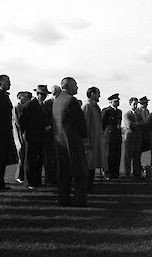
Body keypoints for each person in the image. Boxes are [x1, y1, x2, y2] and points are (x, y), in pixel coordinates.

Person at [52, 77, 88, 207]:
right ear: (69, 86)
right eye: (75, 85)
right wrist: (85, 136)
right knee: (80, 172)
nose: (77, 87)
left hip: (60, 142)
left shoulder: (56, 101)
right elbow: (80, 122)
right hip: (73, 141)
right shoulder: (71, 101)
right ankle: (79, 200)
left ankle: (63, 199)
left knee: (63, 174)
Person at [20, 85, 51, 189]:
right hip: (32, 137)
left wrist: (46, 126)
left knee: (40, 160)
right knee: (30, 160)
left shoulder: (43, 105)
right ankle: (30, 182)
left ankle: (37, 181)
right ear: (37, 94)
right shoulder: (30, 105)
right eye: (41, 94)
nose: (43, 96)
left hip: (41, 136)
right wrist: (28, 132)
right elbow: (22, 121)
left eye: (45, 94)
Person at [81, 87, 107, 193]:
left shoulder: (95, 106)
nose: (99, 96)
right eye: (98, 93)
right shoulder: (87, 106)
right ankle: (87, 187)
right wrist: (86, 140)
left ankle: (90, 186)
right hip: (90, 141)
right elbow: (85, 124)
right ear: (92, 94)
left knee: (92, 164)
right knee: (89, 164)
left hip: (95, 140)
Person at [0, 75, 17, 191]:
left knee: (2, 158)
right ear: (0, 83)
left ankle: (0, 182)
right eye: (7, 82)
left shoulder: (4, 96)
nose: (10, 84)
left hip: (5, 132)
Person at [43, 85, 62, 186]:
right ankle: (49, 178)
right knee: (49, 158)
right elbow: (44, 117)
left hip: (59, 134)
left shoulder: (61, 102)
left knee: (57, 157)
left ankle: (57, 177)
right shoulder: (47, 103)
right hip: (50, 134)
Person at [101, 93, 122, 179]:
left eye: (118, 101)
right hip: (109, 136)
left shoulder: (119, 111)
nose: (117, 103)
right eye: (115, 101)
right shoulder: (106, 111)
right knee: (109, 155)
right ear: (110, 102)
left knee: (117, 155)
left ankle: (115, 173)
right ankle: (107, 173)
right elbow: (102, 123)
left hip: (117, 135)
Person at [13, 91, 32, 184]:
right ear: (20, 97)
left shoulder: (23, 107)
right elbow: (19, 122)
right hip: (19, 133)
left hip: (23, 133)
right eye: (25, 97)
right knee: (21, 153)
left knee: (23, 154)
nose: (28, 99)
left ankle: (21, 175)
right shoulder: (17, 107)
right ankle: (19, 176)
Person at [123, 97, 144, 177]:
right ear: (130, 104)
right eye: (134, 104)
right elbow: (129, 125)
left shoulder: (138, 114)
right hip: (130, 139)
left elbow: (143, 123)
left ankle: (136, 172)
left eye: (136, 104)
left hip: (137, 138)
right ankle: (127, 173)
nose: (135, 106)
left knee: (137, 157)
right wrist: (137, 124)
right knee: (128, 157)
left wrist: (136, 124)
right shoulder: (127, 114)